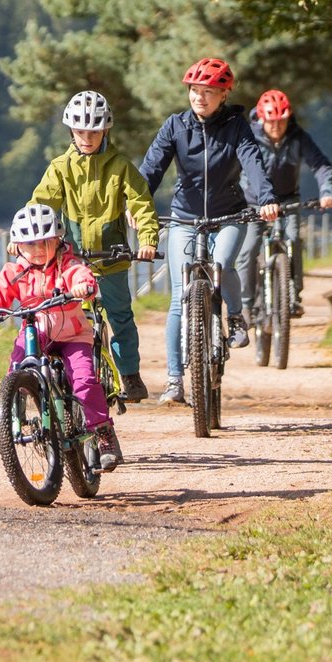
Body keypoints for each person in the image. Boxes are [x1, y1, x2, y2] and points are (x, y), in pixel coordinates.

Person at [137, 57, 278, 404]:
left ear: (224, 94)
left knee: (222, 262)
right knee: (177, 300)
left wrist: (266, 198)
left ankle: (235, 315)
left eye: (209, 92)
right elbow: (152, 168)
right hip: (184, 217)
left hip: (229, 214)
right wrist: (136, 204)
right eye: (195, 91)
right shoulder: (175, 126)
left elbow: (252, 164)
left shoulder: (237, 127)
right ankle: (174, 381)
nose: (200, 98)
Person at [0, 203, 122, 470]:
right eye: (29, 244)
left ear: (58, 240)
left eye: (44, 243)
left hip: (72, 335)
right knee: (16, 365)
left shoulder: (67, 265)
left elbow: (79, 275)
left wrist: (84, 286)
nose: (37, 250)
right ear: (18, 246)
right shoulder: (16, 271)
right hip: (36, 333)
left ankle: (103, 432)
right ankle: (16, 407)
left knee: (83, 380)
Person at [30, 90, 161, 403]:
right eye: (79, 131)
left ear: (106, 129)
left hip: (112, 257)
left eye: (93, 130)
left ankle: (130, 375)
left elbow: (141, 203)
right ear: (71, 131)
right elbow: (42, 203)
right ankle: (67, 374)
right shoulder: (61, 167)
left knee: (120, 317)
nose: (86, 137)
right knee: (67, 318)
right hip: (72, 261)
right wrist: (28, 237)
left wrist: (147, 240)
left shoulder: (121, 167)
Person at [246, 88, 332, 319]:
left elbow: (320, 165)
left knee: (294, 239)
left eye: (281, 121)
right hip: (253, 203)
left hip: (288, 200)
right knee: (247, 250)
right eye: (271, 121)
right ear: (261, 119)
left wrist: (327, 192)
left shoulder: (298, 137)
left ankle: (293, 295)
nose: (276, 126)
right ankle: (247, 305)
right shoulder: (248, 138)